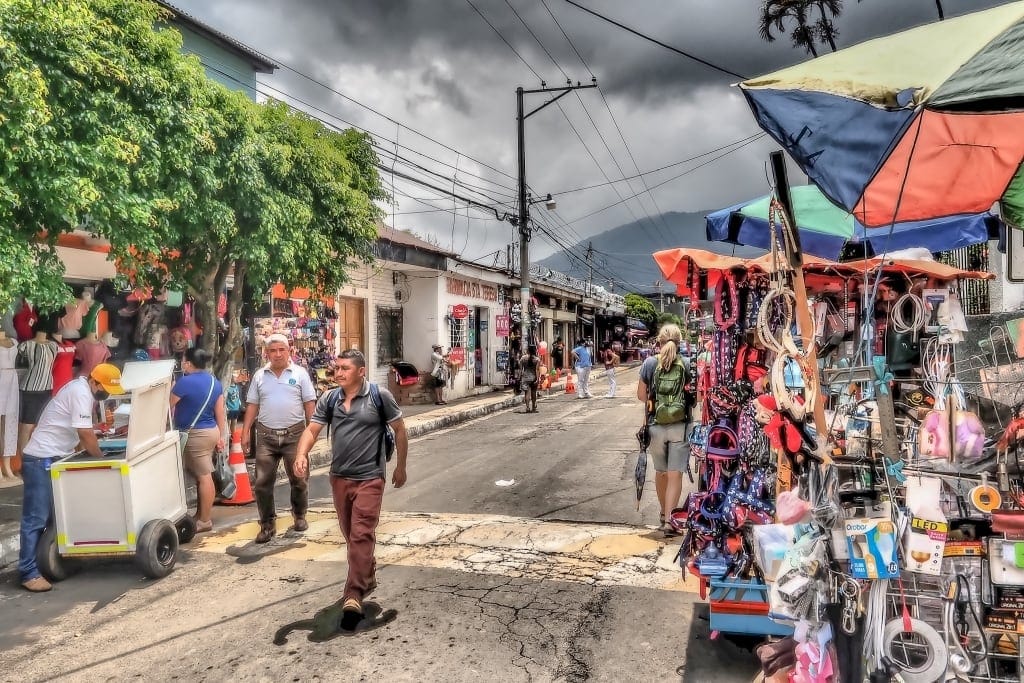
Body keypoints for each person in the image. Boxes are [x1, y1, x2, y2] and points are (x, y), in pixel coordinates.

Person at [294, 349, 408, 623]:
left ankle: (353, 593)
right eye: (337, 368)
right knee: (350, 534)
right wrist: (301, 454)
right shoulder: (330, 398)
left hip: (370, 477)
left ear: (361, 371)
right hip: (339, 477)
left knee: (360, 533)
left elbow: (400, 430)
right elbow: (312, 429)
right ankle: (366, 571)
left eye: (345, 368)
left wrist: (401, 467)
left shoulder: (380, 396)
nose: (339, 372)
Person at [18, 363, 125, 592]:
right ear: (94, 382)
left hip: (54, 456)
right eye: (104, 389)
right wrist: (101, 460)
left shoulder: (83, 390)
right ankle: (28, 573)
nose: (105, 394)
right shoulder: (80, 392)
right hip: (41, 458)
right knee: (36, 518)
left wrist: (94, 436)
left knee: (55, 516)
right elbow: (84, 433)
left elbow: (82, 430)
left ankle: (48, 562)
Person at [241, 333, 316, 543]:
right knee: (262, 483)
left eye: (281, 349)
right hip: (266, 436)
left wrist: (312, 432)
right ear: (267, 353)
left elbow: (309, 404)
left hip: (295, 435)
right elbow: (253, 404)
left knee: (299, 479)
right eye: (273, 350)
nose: (277, 354)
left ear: (289, 350)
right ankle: (267, 525)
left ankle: (299, 516)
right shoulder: (259, 376)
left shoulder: (300, 374)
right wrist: (245, 431)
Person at [636, 324, 693, 536]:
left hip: (655, 425)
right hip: (680, 425)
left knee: (661, 473)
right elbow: (694, 397)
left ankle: (663, 514)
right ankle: (670, 521)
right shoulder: (686, 363)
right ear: (679, 342)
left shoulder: (650, 363)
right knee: (675, 475)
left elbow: (641, 395)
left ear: (659, 342)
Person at [169, 348, 227, 534]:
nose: (182, 364)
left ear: (188, 363)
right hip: (211, 431)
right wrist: (221, 436)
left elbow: (166, 406)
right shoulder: (214, 382)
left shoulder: (184, 382)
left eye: (183, 361)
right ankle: (200, 515)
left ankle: (204, 520)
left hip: (195, 435)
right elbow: (220, 412)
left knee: (204, 476)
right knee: (201, 474)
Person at [518, 345, 540, 413]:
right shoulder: (537, 359)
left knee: (527, 393)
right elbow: (537, 370)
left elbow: (521, 369)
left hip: (525, 377)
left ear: (528, 350)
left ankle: (527, 407)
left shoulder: (523, 358)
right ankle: (533, 407)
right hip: (533, 377)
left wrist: (519, 377)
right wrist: (537, 379)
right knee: (533, 392)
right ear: (535, 350)